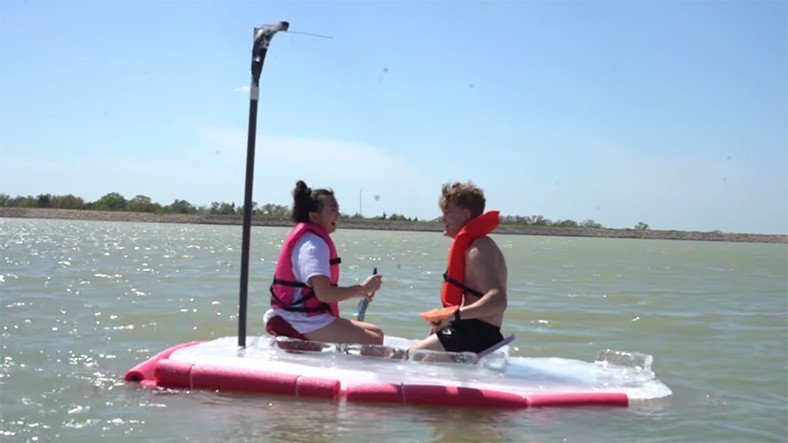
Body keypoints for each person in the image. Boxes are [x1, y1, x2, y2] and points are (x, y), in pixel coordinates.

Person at [264, 180, 384, 345]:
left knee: (377, 333)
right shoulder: (313, 245)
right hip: (296, 319)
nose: (338, 214)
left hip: (307, 316)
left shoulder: (312, 239)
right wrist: (363, 289)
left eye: (338, 209)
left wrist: (363, 291)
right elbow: (324, 294)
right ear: (314, 216)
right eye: (333, 209)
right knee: (374, 340)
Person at [409, 181, 508, 355]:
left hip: (478, 335)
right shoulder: (473, 247)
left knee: (412, 356)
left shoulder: (479, 249)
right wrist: (447, 322)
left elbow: (498, 300)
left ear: (465, 214)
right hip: (467, 330)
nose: (442, 218)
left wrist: (453, 316)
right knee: (410, 354)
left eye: (447, 212)